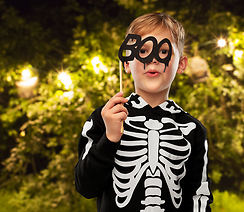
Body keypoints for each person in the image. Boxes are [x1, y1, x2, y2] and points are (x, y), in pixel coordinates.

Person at [75, 12, 213, 211]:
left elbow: (199, 195)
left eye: (164, 52)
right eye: (142, 51)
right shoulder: (104, 118)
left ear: (181, 65)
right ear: (127, 62)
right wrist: (109, 138)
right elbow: (85, 187)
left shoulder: (192, 129)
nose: (153, 59)